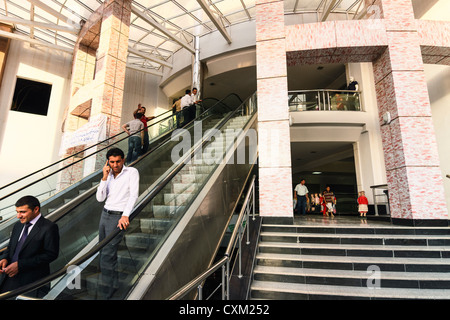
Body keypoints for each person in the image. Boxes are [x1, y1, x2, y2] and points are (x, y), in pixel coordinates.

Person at [96, 148, 139, 299]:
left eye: (118, 161)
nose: (115, 165)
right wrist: (104, 177)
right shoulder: (108, 175)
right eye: (112, 162)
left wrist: (125, 215)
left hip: (118, 217)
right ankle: (113, 285)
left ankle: (106, 294)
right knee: (103, 251)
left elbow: (133, 195)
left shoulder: (131, 172)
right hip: (105, 214)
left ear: (123, 159)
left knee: (107, 255)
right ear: (108, 161)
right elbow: (100, 198)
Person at [0, 196, 59, 298]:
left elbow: (51, 254)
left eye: (22, 212)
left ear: (36, 209)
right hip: (8, 277)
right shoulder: (18, 225)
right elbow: (11, 246)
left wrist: (20, 265)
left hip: (30, 281)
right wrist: (4, 258)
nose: (18, 216)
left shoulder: (49, 227)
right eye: (17, 212)